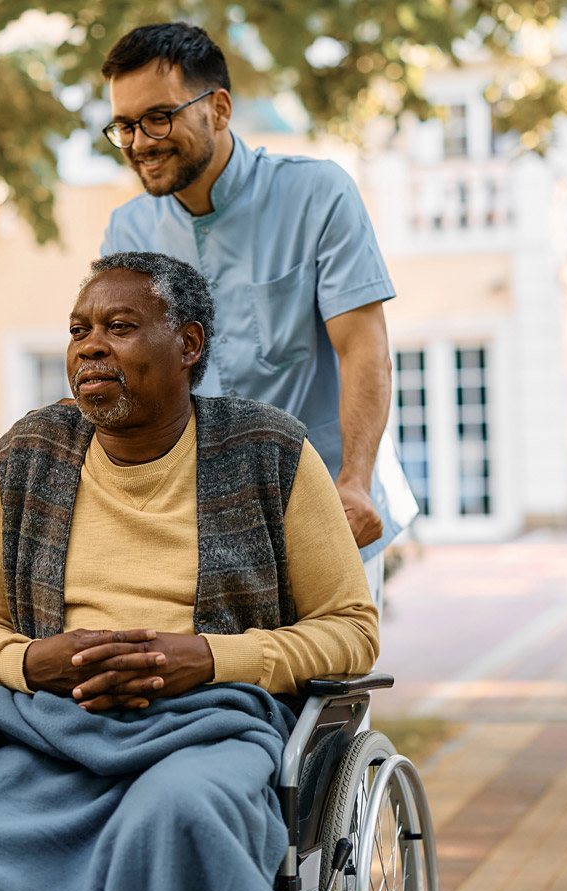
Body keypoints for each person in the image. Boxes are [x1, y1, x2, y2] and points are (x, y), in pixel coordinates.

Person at [0, 253, 376, 891]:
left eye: (119, 326)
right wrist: (28, 661)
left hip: (208, 725)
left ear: (189, 345)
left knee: (168, 824)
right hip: (45, 727)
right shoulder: (28, 454)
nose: (90, 346)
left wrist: (209, 659)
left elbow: (352, 630)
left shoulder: (271, 452)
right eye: (79, 329)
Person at [98, 23, 409, 610]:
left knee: (329, 697)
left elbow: (363, 348)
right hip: (203, 531)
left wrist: (356, 482)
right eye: (125, 125)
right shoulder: (127, 231)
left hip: (330, 514)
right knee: (224, 698)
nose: (140, 141)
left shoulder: (319, 195)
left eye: (159, 117)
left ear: (218, 108)